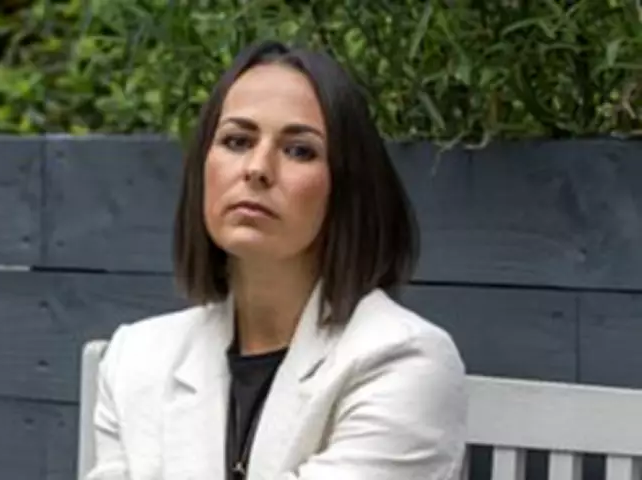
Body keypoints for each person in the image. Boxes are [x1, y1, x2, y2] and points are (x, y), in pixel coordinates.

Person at [87, 40, 467, 480]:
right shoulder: (136, 359)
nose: (257, 168)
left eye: (299, 150)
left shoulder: (402, 360)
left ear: (347, 188)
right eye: (237, 141)